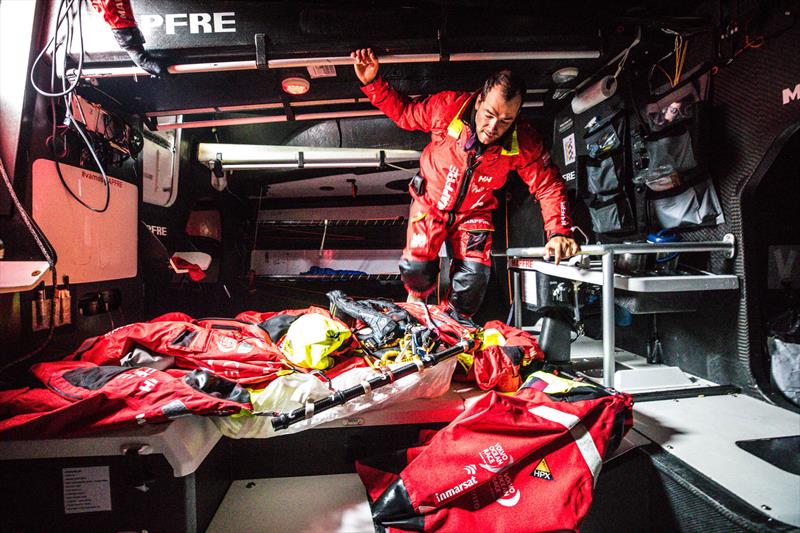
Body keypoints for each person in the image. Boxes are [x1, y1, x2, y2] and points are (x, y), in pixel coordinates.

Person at [352, 48, 579, 320]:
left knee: (472, 285)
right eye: (490, 114)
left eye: (506, 120)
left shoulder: (524, 142)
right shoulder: (447, 109)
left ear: (516, 116)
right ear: (479, 99)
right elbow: (405, 112)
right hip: (431, 204)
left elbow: (548, 186)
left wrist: (559, 232)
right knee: (416, 271)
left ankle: (451, 329)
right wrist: (372, 83)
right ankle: (414, 312)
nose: (494, 126)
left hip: (474, 213)